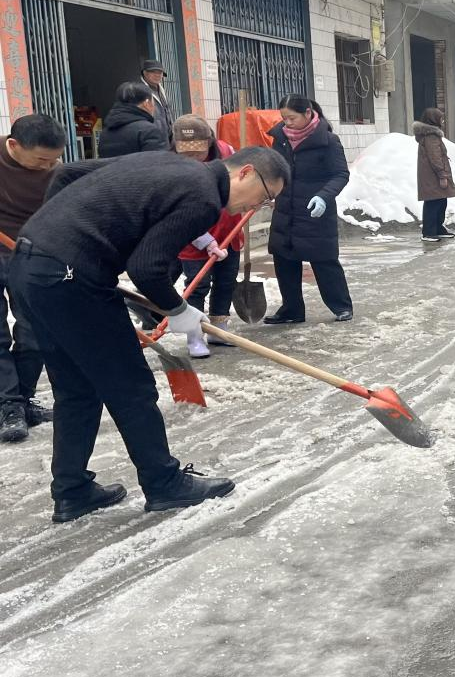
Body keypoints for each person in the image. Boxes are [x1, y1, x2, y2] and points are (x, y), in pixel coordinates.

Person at [8, 146, 289, 523]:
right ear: (246, 173)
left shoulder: (169, 163)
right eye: (265, 197)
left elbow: (67, 174)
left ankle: (72, 491)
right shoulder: (204, 196)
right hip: (70, 281)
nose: (255, 207)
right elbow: (147, 267)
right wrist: (178, 310)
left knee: (77, 389)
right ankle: (164, 484)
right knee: (132, 387)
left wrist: (58, 236)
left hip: (30, 269)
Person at [0, 114, 66, 443]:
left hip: (29, 254)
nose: (48, 167)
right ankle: (7, 406)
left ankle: (22, 399)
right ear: (14, 145)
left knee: (34, 330)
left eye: (54, 160)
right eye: (41, 160)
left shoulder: (55, 173)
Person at [264, 95, 353, 324]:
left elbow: (341, 174)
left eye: (292, 118)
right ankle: (292, 310)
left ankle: (341, 306)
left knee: (323, 259)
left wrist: (324, 196)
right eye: (284, 118)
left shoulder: (328, 140)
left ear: (307, 113)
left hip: (315, 209)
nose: (287, 123)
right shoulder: (281, 138)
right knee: (284, 259)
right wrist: (269, 190)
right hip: (286, 207)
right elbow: (276, 169)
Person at [173, 114, 242, 358]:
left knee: (226, 281)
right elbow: (177, 212)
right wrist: (206, 241)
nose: (193, 158)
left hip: (228, 229)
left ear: (210, 142)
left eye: (198, 152)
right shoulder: (171, 167)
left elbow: (242, 180)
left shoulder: (227, 152)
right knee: (198, 285)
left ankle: (218, 329)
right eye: (186, 153)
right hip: (193, 236)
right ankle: (195, 335)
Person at [413, 107, 455, 243]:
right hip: (433, 176)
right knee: (433, 202)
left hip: (434, 175)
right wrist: (442, 175)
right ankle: (429, 232)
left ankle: (438, 228)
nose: (442, 121)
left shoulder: (432, 135)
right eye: (440, 118)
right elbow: (435, 157)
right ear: (433, 119)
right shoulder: (431, 136)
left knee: (440, 200)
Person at [98, 81, 168, 158]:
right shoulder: (150, 131)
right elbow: (159, 165)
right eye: (153, 101)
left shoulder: (105, 133)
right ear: (146, 103)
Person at [140, 59, 174, 147]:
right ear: (145, 73)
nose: (157, 75)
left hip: (168, 138)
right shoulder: (139, 90)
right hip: (152, 138)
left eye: (160, 72)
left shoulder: (162, 90)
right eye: (153, 72)